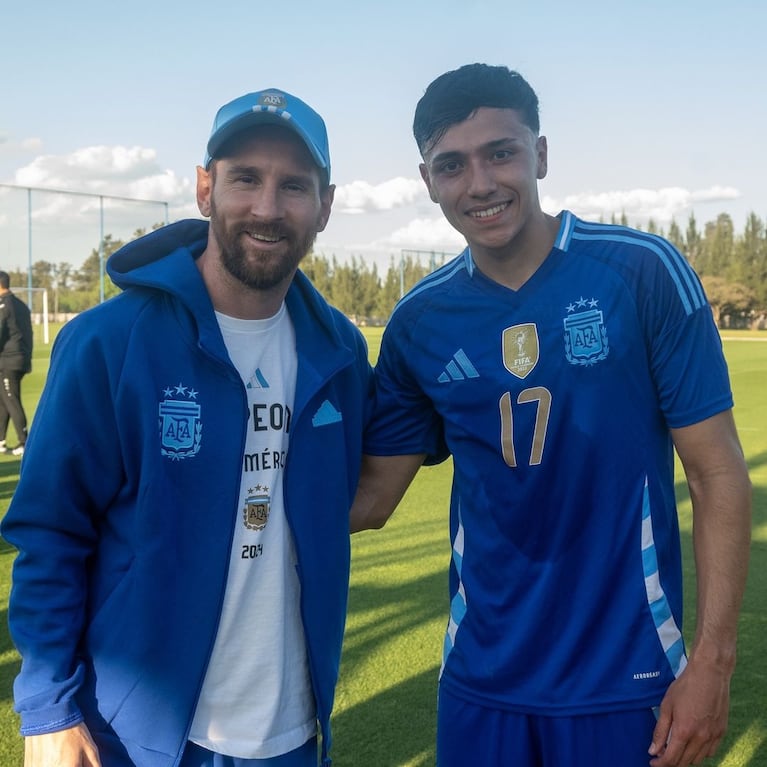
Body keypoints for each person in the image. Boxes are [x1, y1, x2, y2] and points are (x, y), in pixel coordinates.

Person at [352, 64, 752, 767]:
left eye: (499, 152)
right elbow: (374, 496)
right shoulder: (419, 320)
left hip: (625, 675)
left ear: (539, 154)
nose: (478, 183)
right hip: (481, 680)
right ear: (426, 180)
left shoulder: (639, 271)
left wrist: (711, 665)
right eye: (452, 164)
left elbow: (716, 470)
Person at [2, 87, 373, 767]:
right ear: (205, 188)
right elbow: (52, 531)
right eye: (244, 179)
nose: (266, 207)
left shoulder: (340, 351)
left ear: (324, 204)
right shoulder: (107, 342)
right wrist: (48, 705)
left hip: (291, 731)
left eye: (293, 184)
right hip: (138, 734)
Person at [0, 271, 33, 456]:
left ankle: (24, 441)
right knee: (3, 400)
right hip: (19, 357)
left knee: (11, 399)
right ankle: (1, 440)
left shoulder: (4, 305)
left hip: (9, 360)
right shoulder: (21, 305)